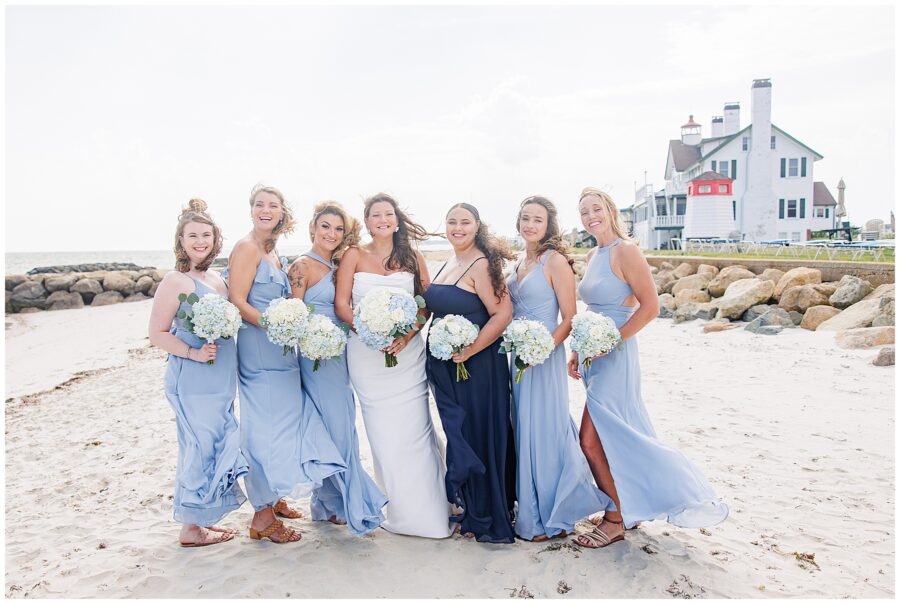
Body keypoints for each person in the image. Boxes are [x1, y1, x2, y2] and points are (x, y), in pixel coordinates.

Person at [570, 187, 729, 549]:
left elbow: (650, 307)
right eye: (584, 212)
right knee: (615, 435)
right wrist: (579, 350)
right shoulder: (594, 253)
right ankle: (625, 506)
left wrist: (612, 342)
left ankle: (615, 520)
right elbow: (593, 310)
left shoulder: (627, 251)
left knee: (590, 440)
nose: (591, 216)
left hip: (616, 356)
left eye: (596, 208)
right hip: (594, 356)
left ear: (611, 211)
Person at [227, 184, 345, 544]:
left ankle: (274, 499)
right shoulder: (247, 248)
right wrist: (274, 324)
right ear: (251, 210)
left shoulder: (271, 250)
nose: (266, 210)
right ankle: (262, 517)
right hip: (259, 349)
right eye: (260, 205)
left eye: (273, 205)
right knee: (263, 429)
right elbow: (236, 300)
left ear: (281, 213)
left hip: (280, 349)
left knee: (282, 424)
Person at [334, 193, 452, 539]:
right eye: (375, 215)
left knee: (415, 430)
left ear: (397, 220)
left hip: (407, 353)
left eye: (388, 214)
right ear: (367, 221)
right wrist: (369, 331)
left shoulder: (412, 256)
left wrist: (406, 334)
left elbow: (425, 304)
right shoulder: (353, 255)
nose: (382, 219)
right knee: (384, 435)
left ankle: (432, 511)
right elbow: (342, 305)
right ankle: (399, 511)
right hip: (366, 355)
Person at [506, 196, 611, 542]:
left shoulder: (555, 262)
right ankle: (529, 507)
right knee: (522, 429)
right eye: (525, 218)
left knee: (544, 430)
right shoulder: (519, 260)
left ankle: (551, 516)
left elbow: (569, 317)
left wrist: (544, 349)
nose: (530, 225)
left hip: (543, 357)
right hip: (516, 357)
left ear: (549, 225)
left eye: (537, 219)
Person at [148, 199, 248, 547]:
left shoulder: (218, 280)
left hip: (220, 378)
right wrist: (192, 351)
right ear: (181, 240)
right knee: (199, 445)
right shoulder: (175, 280)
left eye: (206, 234)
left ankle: (200, 518)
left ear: (216, 238)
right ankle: (190, 527)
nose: (200, 241)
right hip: (193, 377)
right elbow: (157, 333)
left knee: (213, 443)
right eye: (192, 235)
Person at [288, 201, 388, 536]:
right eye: (325, 226)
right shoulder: (302, 266)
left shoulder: (336, 265)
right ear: (313, 228)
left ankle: (328, 503)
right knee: (337, 424)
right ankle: (346, 502)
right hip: (315, 356)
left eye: (338, 229)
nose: (331, 234)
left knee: (339, 423)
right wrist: (312, 341)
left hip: (338, 352)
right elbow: (294, 315)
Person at [424, 203, 517, 544]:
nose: (457, 228)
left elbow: (502, 314)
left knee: (477, 433)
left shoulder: (481, 264)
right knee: (460, 431)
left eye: (465, 222)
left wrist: (470, 349)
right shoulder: (449, 262)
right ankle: (473, 505)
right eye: (452, 222)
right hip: (449, 366)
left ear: (477, 226)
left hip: (477, 366)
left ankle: (487, 513)